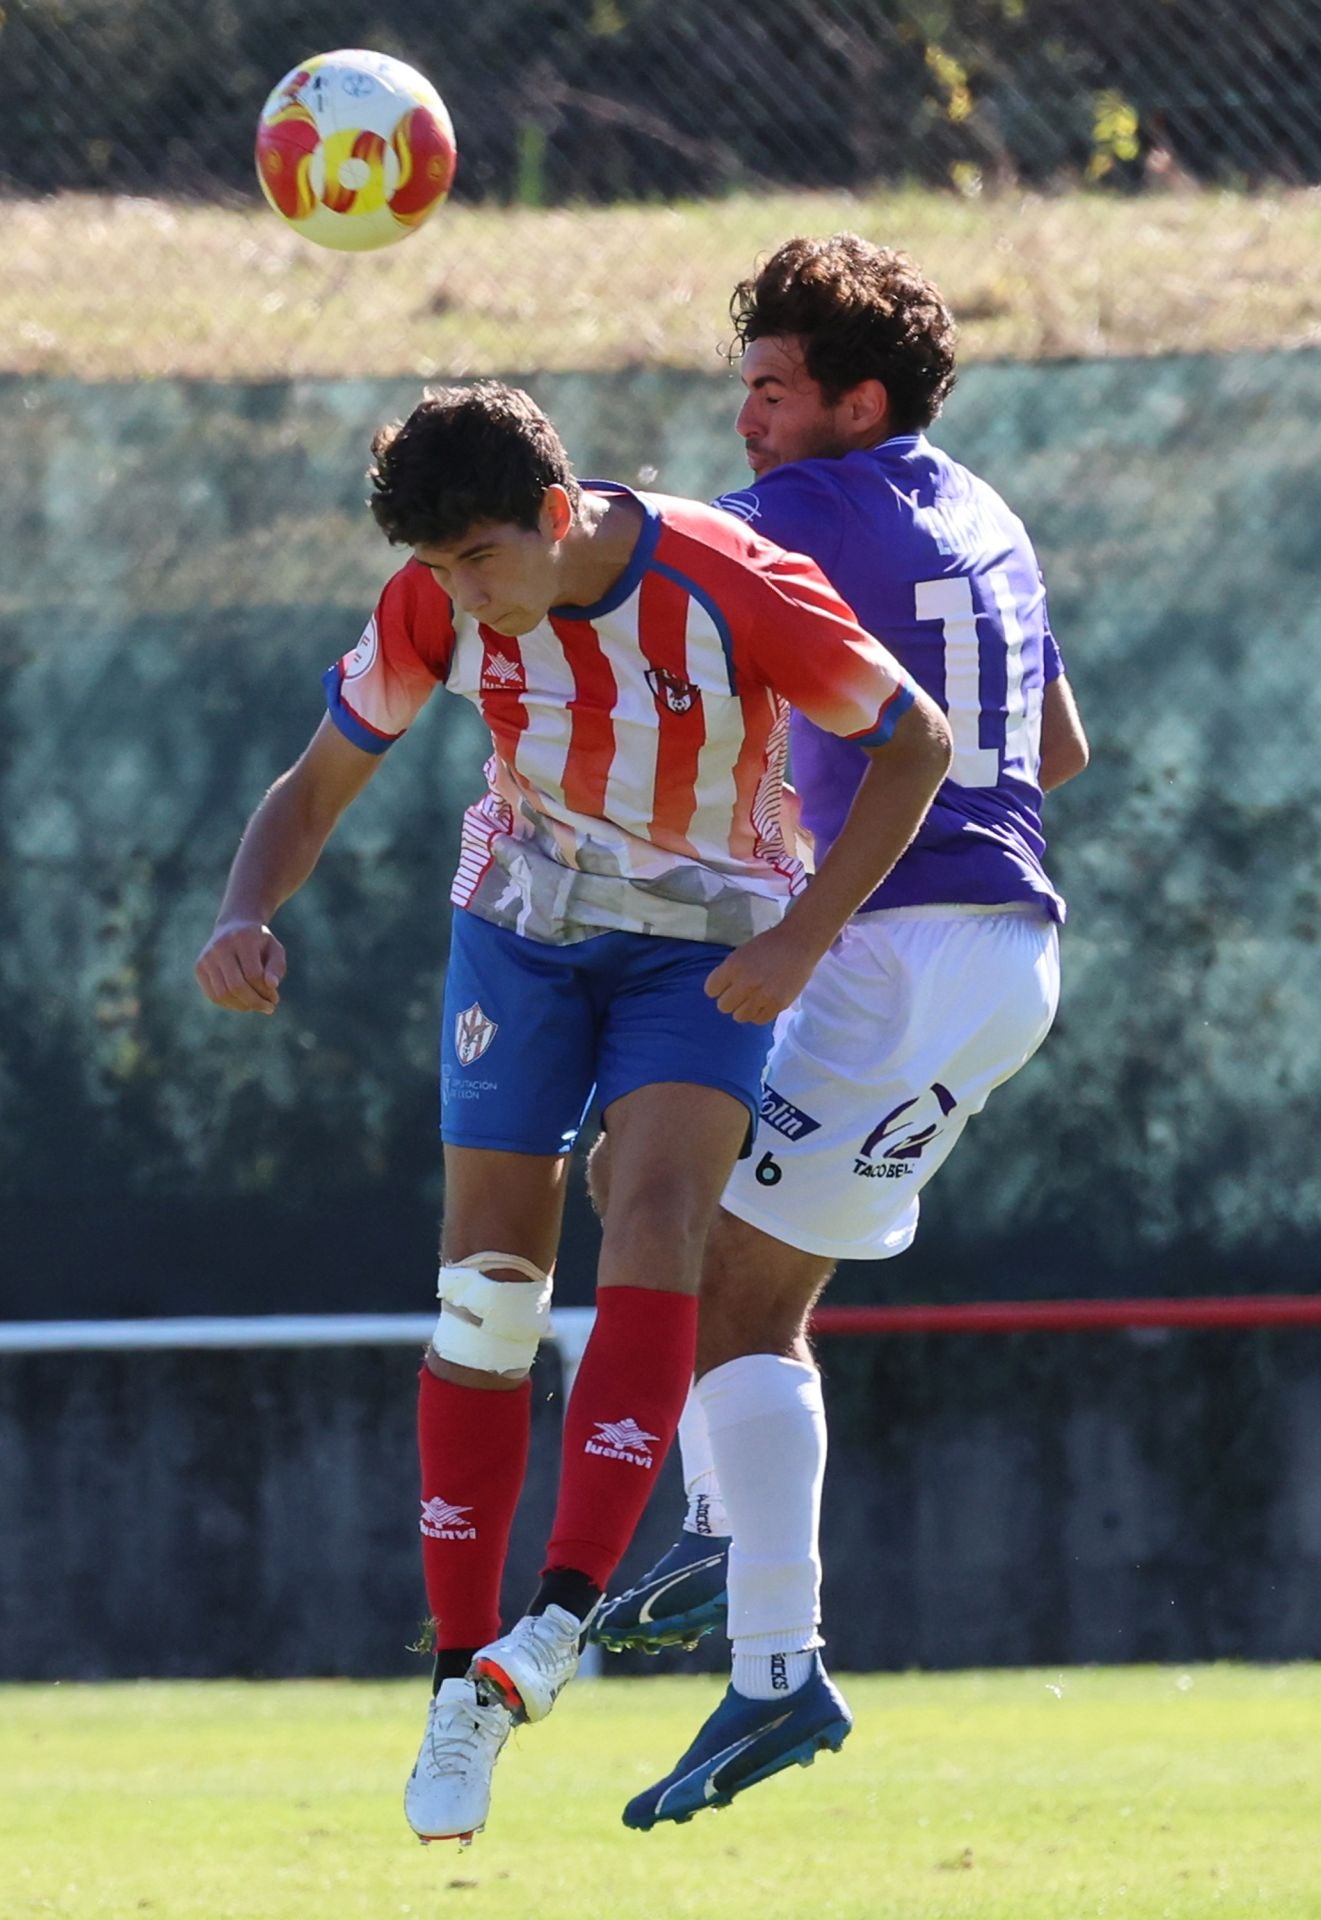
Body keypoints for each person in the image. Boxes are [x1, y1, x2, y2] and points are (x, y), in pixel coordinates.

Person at [194, 379, 953, 1846]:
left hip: (699, 944)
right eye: (433, 569)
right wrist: (241, 911)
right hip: (521, 933)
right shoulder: (436, 602)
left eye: (478, 560)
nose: (459, 598)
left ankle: (557, 1617)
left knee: (659, 1212)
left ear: (554, 515)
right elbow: (318, 780)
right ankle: (458, 1687)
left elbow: (911, 742)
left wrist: (798, 938)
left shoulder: (731, 584)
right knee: (486, 1297)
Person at [589, 234, 1090, 1831]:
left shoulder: (805, 507)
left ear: (856, 401)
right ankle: (745, 1594)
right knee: (710, 1246)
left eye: (771, 391)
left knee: (692, 1245)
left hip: (894, 955)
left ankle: (762, 1635)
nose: (745, 420)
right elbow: (1055, 747)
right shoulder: (985, 514)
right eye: (741, 388)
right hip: (999, 953)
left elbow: (649, 585)